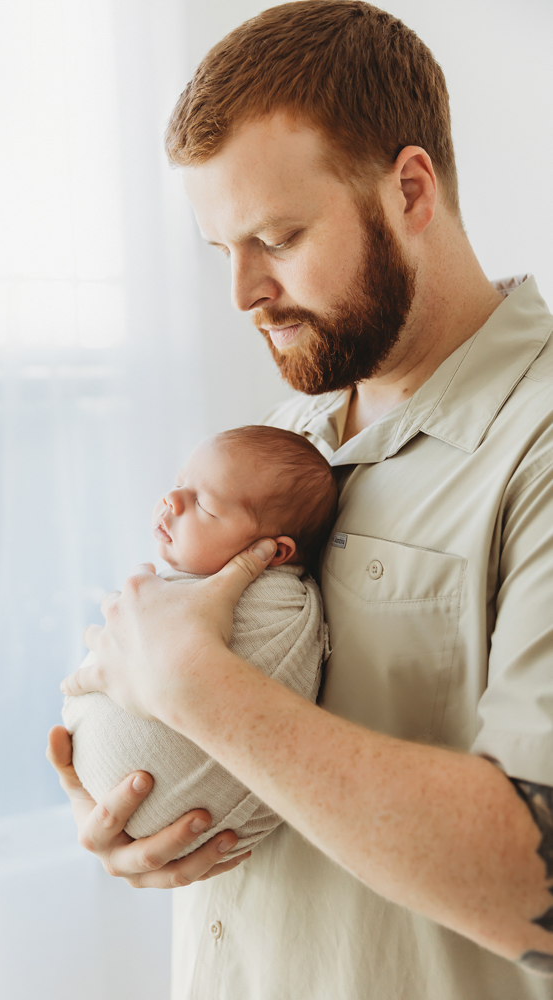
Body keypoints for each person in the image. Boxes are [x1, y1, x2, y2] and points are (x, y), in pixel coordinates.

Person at [47, 2, 553, 997]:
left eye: (276, 236)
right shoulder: (291, 434)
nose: (241, 292)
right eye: (221, 248)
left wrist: (194, 687)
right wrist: (133, 803)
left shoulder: (535, 443)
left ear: (410, 190)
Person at [61, 426, 333, 860]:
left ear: (274, 553)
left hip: (194, 825)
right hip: (128, 827)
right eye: (178, 483)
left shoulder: (281, 608)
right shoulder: (275, 437)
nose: (173, 500)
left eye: (203, 505)